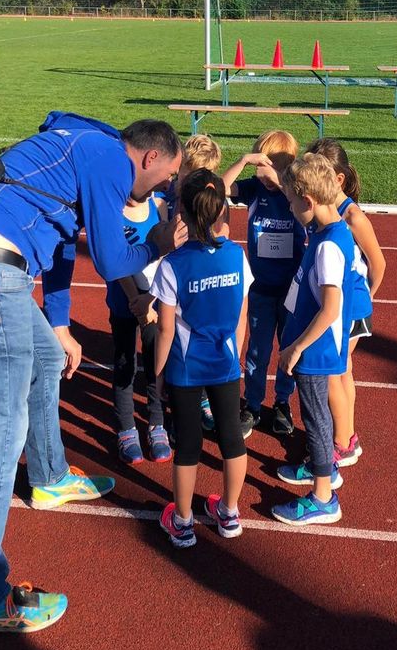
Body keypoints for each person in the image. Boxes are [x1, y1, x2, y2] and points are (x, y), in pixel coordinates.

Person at [0, 112, 186, 636]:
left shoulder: (84, 150)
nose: (164, 187)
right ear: (150, 156)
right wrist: (159, 243)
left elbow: (64, 242)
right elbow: (111, 259)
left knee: (47, 358)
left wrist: (61, 326)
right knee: (1, 432)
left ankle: (48, 477)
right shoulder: (111, 158)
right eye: (166, 177)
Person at [152, 169, 253, 548]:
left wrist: (158, 375)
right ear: (220, 210)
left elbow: (165, 330)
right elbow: (241, 317)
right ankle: (229, 512)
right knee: (232, 438)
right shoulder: (237, 256)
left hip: (185, 368)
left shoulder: (172, 265)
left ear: (182, 214)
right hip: (225, 363)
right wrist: (234, 359)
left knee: (188, 444)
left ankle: (182, 522)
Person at [271, 152, 355, 526]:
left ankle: (323, 496)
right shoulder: (326, 231)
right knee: (315, 415)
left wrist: (296, 347)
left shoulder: (328, 246)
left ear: (308, 201)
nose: (289, 208)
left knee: (316, 417)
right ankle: (322, 470)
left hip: (315, 351)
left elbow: (331, 308)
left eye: (291, 202)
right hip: (313, 346)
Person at [306, 138, 386, 468]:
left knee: (332, 374)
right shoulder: (322, 209)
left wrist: (362, 300)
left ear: (337, 178)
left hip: (349, 309)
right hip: (339, 305)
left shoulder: (353, 217)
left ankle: (340, 443)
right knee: (343, 372)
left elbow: (378, 264)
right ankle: (347, 437)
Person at [223, 131, 304, 438]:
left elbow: (307, 211)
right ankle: (253, 404)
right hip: (260, 289)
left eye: (276, 167)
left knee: (288, 347)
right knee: (257, 351)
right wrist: (244, 160)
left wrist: (281, 182)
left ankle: (283, 402)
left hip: (291, 290)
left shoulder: (295, 192)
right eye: (263, 165)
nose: (267, 174)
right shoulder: (253, 188)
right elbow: (219, 187)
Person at [151, 134, 224, 432]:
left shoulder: (210, 200)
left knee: (199, 339)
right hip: (172, 278)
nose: (196, 180)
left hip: (199, 279)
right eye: (190, 173)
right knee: (171, 339)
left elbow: (222, 234)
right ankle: (171, 406)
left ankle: (203, 398)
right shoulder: (165, 196)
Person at [106, 191, 172, 464]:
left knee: (156, 362)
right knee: (125, 363)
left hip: (155, 304)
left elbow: (166, 255)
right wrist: (138, 302)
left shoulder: (159, 204)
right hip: (125, 303)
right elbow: (116, 262)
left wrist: (152, 300)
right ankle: (126, 426)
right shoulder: (113, 210)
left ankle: (157, 421)